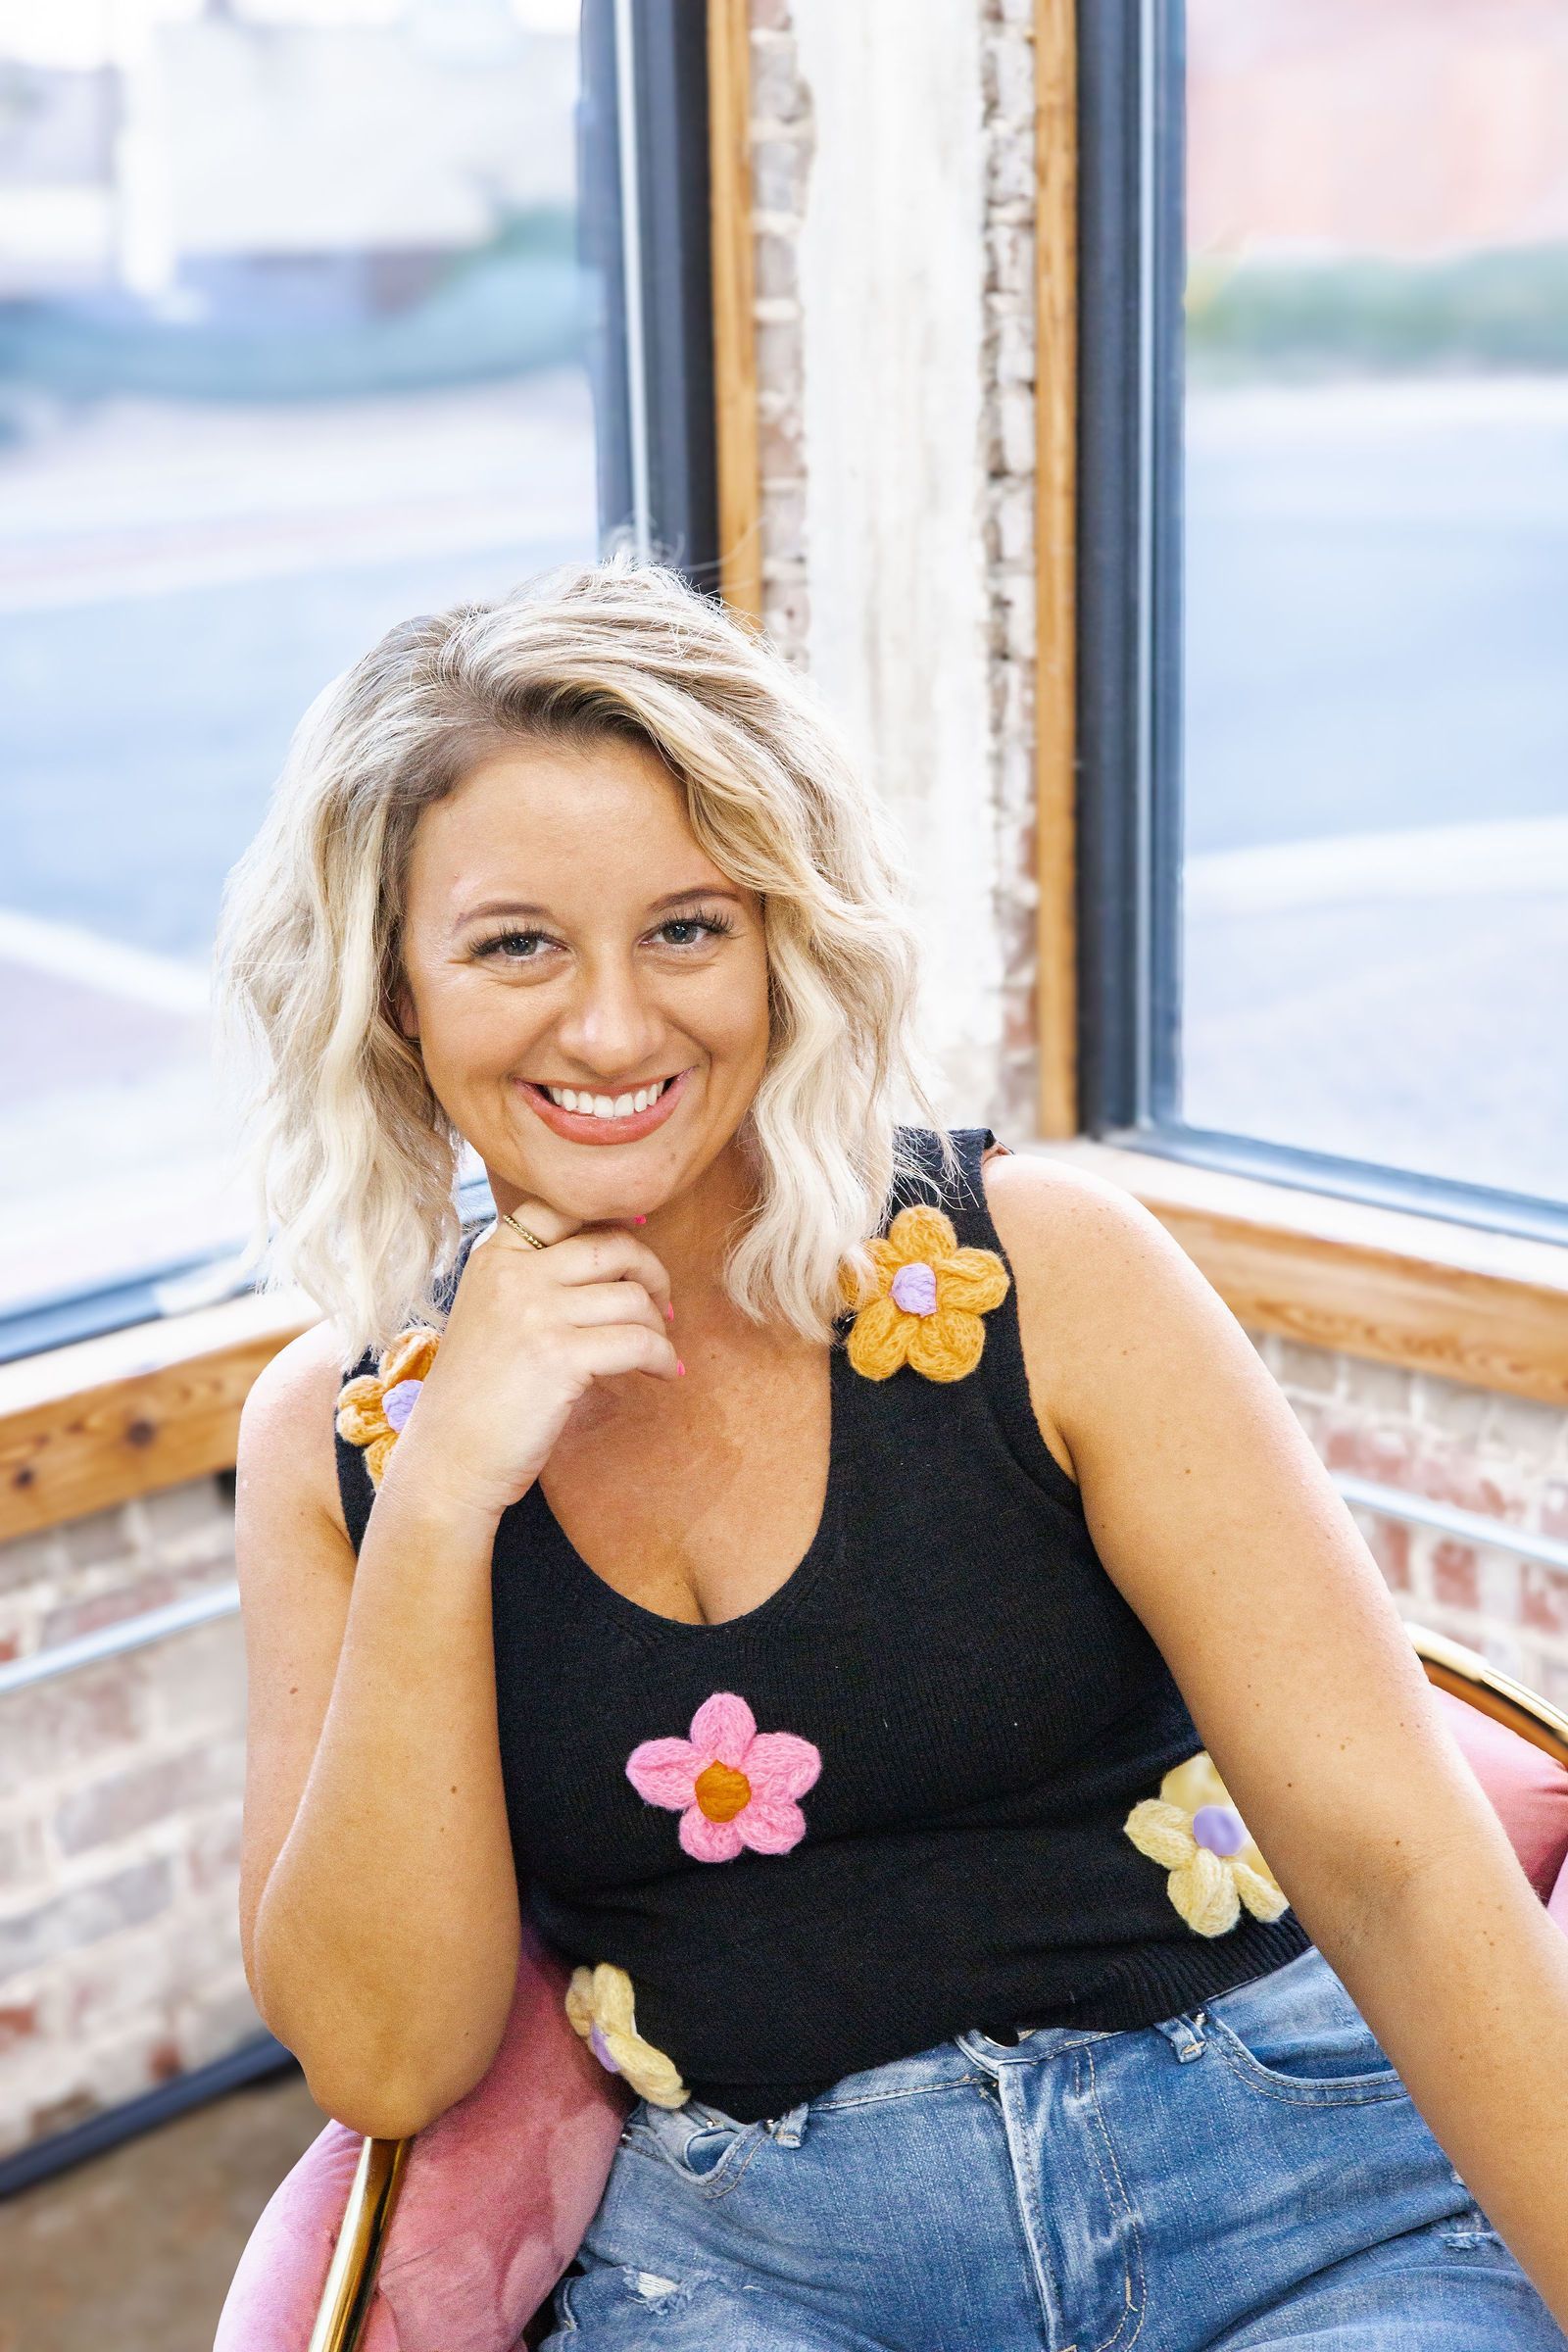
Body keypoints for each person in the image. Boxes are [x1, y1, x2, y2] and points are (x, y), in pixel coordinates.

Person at [216, 557, 1568, 2349]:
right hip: (769, 2274)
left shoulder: (1049, 1274)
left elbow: (1398, 1867)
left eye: (688, 927)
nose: (614, 1027)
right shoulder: (339, 1442)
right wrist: (447, 1489)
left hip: (1295, 2193)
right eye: (513, 943)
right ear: (396, 992)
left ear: (787, 940)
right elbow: (387, 2055)